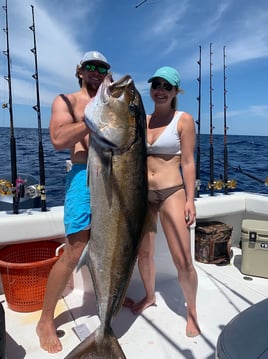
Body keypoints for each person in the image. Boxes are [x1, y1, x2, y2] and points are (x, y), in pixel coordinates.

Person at [36, 51, 111, 353]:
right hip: (83, 174)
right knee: (75, 249)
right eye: (90, 67)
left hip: (112, 175)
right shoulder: (65, 101)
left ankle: (112, 303)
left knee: (112, 243)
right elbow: (57, 139)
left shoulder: (111, 100)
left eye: (102, 68)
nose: (96, 72)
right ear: (80, 71)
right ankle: (45, 319)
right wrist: (92, 118)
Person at [129, 66, 201, 337]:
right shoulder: (140, 120)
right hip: (142, 195)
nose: (160, 90)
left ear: (175, 92)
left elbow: (188, 161)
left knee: (182, 258)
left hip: (172, 191)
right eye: (156, 85)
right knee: (144, 253)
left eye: (166, 86)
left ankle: (191, 311)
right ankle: (149, 296)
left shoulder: (183, 119)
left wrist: (190, 200)